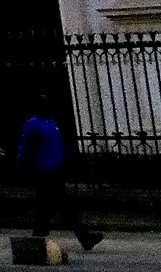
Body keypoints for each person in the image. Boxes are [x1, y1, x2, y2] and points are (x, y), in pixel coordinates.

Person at [16, 97, 103, 252]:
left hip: (56, 168)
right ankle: (82, 238)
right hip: (43, 170)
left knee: (48, 207)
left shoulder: (51, 123)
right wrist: (20, 163)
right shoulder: (32, 124)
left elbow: (59, 144)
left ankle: (39, 240)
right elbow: (25, 144)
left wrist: (68, 156)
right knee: (58, 206)